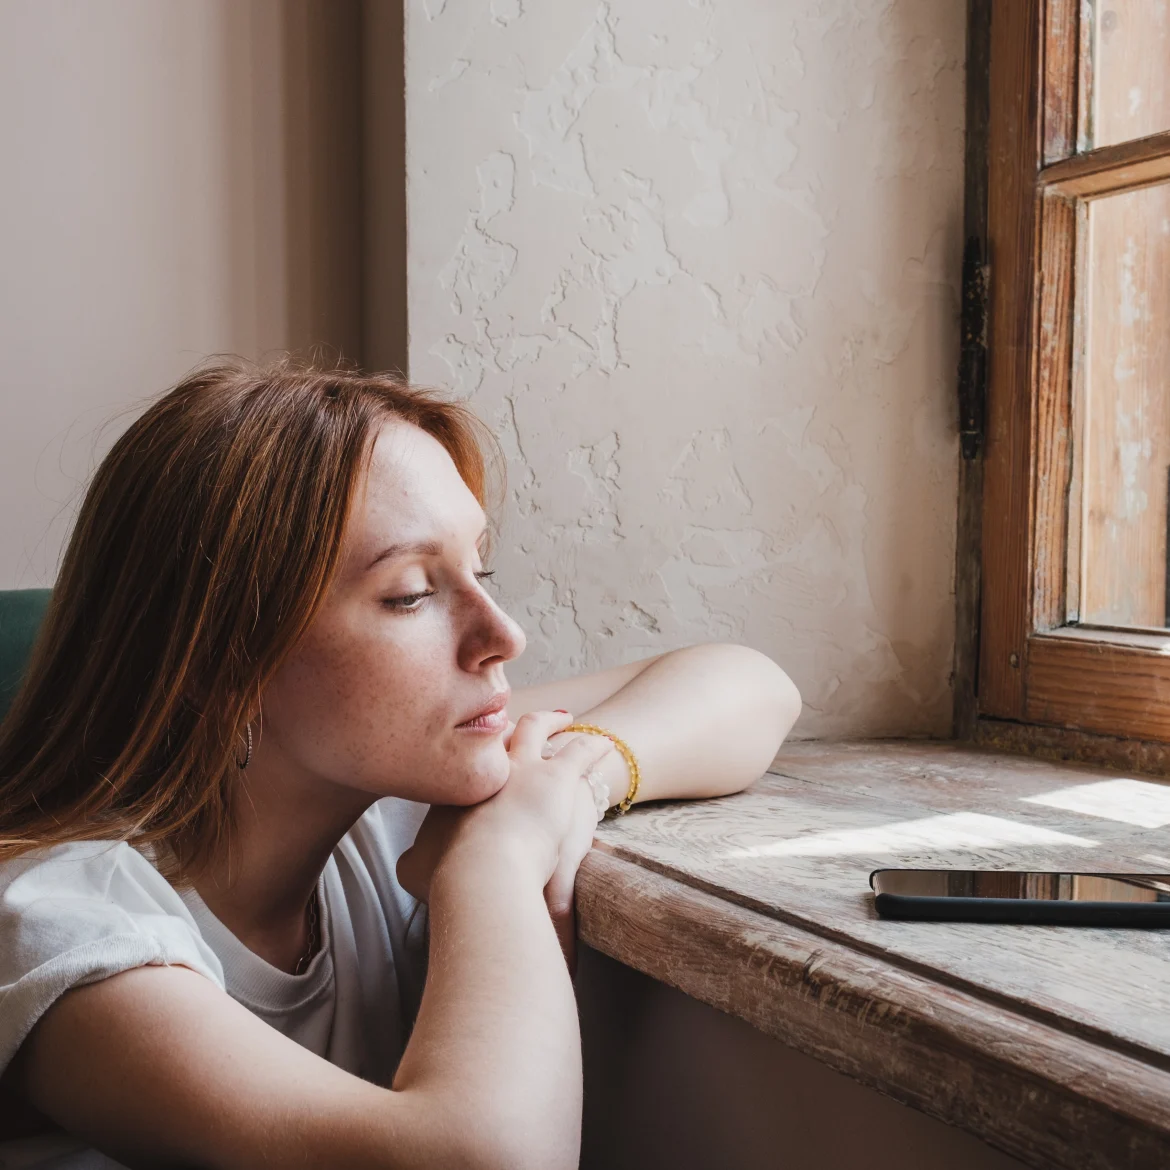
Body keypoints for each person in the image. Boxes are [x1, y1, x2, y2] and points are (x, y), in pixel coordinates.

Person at [0, 358, 801, 1169]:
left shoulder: (375, 789)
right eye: (411, 594)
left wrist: (571, 782)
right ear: (221, 660)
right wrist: (495, 860)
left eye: (479, 568)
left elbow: (750, 686)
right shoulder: (65, 927)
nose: (504, 635)